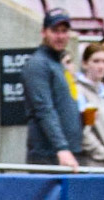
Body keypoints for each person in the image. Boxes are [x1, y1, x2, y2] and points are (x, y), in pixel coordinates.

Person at [22, 9, 84, 171]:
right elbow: (44, 109)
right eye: (55, 31)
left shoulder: (59, 64)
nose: (60, 36)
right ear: (44, 32)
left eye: (64, 31)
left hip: (66, 152)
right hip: (49, 155)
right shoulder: (38, 64)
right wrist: (61, 148)